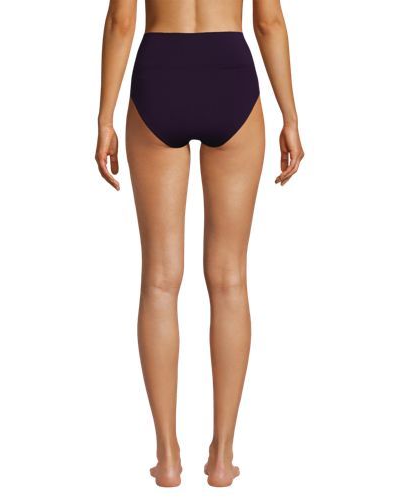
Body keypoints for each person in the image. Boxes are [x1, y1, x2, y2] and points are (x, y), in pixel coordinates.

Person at [95, 0, 304, 488]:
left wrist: (105, 118)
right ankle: (222, 457)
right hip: (229, 74)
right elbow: (269, 22)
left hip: (159, 74)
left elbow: (121, 22)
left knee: (159, 281)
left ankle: (167, 458)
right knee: (229, 280)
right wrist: (290, 117)